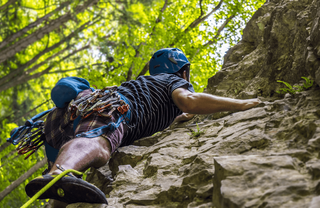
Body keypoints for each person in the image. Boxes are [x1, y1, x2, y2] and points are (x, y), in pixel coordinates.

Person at [25, 48, 260, 206]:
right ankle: (57, 174)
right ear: (182, 71)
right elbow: (189, 101)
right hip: (112, 107)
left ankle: (56, 187)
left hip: (62, 120)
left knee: (67, 177)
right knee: (100, 143)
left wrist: (178, 119)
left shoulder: (149, 87)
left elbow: (163, 114)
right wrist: (242, 104)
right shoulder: (173, 81)